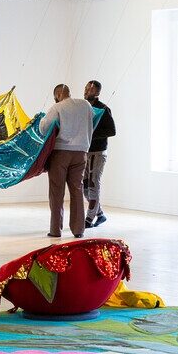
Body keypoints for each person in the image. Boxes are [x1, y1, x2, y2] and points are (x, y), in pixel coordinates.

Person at [39, 84, 96, 239]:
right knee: (77, 190)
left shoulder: (57, 107)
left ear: (58, 94)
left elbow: (44, 128)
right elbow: (93, 121)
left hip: (61, 153)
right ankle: (79, 230)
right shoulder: (85, 105)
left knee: (56, 192)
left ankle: (55, 230)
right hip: (81, 152)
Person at [83, 80, 116, 229]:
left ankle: (88, 220)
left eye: (90, 89)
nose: (86, 91)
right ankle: (100, 215)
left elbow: (112, 131)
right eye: (85, 88)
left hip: (98, 152)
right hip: (85, 151)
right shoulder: (82, 107)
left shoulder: (103, 109)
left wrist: (91, 134)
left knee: (93, 184)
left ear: (97, 93)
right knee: (84, 187)